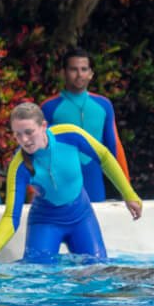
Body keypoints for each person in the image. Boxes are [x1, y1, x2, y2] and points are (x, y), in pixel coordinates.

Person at [0, 103, 141, 266]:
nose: (24, 140)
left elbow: (104, 156)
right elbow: (11, 216)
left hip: (81, 217)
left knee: (97, 270)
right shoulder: (19, 166)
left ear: (43, 126)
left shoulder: (70, 135)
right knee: (39, 276)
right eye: (18, 134)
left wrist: (128, 193)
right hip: (45, 222)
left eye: (29, 132)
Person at [40, 47, 130, 203]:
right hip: (61, 180)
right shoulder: (49, 107)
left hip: (93, 178)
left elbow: (114, 145)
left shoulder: (103, 105)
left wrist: (126, 188)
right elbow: (38, 149)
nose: (79, 74)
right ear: (63, 73)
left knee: (95, 222)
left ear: (91, 74)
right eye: (73, 69)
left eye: (84, 69)